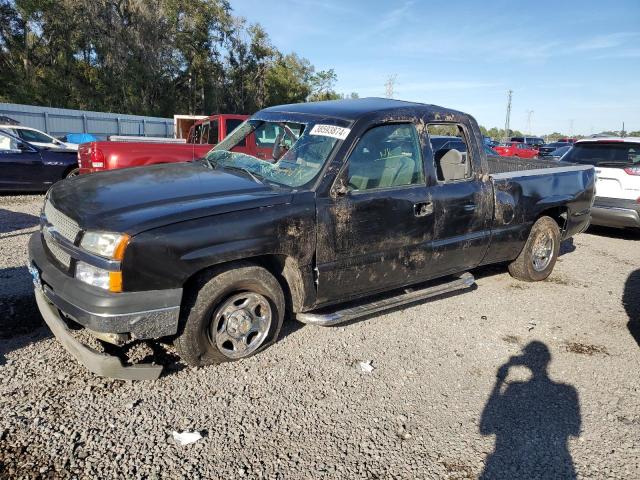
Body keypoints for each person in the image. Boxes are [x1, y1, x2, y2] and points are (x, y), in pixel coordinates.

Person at [480, 341, 581, 479]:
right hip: (558, 463)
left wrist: (499, 381)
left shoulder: (513, 388)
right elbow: (574, 430)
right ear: (548, 360)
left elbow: (485, 429)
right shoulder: (569, 392)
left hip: (508, 460)